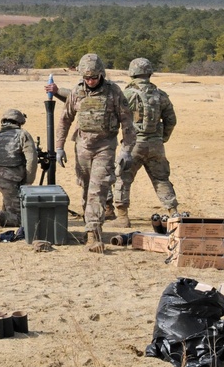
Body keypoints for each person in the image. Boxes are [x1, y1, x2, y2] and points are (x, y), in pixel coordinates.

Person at [54, 54, 136, 252]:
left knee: (97, 189)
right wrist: (59, 147)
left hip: (105, 146)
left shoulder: (113, 92)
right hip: (82, 146)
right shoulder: (77, 92)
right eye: (87, 78)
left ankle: (93, 232)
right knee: (85, 188)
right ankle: (88, 226)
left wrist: (126, 150)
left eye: (94, 77)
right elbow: (65, 120)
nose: (90, 81)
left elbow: (127, 122)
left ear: (101, 74)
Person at [116, 58, 180, 233]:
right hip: (156, 145)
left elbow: (116, 117)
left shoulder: (126, 95)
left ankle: (122, 217)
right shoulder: (160, 94)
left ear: (132, 73)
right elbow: (171, 120)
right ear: (149, 73)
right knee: (161, 179)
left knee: (123, 178)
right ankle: (173, 212)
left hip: (133, 144)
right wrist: (162, 138)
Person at [0, 109, 38, 228]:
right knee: (20, 220)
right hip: (11, 178)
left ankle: (4, 212)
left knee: (9, 198)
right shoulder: (22, 134)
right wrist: (28, 181)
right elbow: (31, 159)